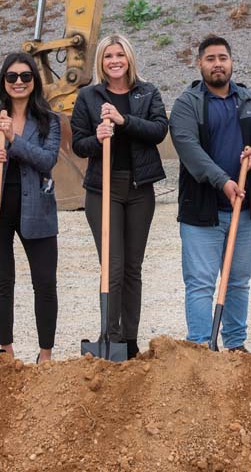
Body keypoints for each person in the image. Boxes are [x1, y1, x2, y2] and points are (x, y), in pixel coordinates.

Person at [169, 35, 251, 352]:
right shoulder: (187, 104)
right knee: (201, 283)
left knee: (238, 281)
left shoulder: (250, 100)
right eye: (210, 59)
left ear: (231, 62)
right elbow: (189, 149)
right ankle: (202, 347)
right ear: (199, 63)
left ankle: (235, 346)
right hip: (202, 211)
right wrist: (223, 181)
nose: (217, 64)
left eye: (223, 58)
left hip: (243, 211)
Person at [70, 34, 168, 358]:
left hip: (140, 189)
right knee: (111, 265)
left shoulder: (147, 92)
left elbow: (158, 131)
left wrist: (124, 121)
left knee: (132, 268)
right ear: (101, 61)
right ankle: (110, 338)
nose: (115, 60)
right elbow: (78, 144)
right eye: (108, 55)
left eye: (120, 55)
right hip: (103, 190)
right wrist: (97, 138)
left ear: (129, 59)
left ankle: (129, 340)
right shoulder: (88, 97)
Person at [0, 52, 61, 363]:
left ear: (35, 81)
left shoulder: (49, 121)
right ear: (3, 82)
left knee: (45, 282)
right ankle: (6, 353)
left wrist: (13, 139)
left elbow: (48, 161)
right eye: (12, 77)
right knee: (2, 282)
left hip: (37, 211)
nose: (19, 82)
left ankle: (45, 355)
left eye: (25, 76)